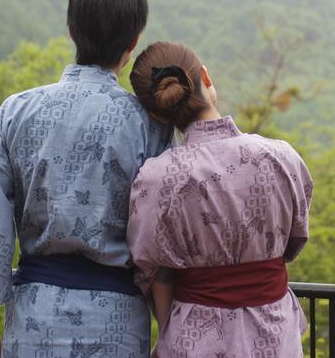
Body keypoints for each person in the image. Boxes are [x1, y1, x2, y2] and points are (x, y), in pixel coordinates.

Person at [0, 0, 171, 358]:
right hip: (116, 327)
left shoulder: (17, 111)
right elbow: (159, 240)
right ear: (133, 42)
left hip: (35, 319)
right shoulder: (148, 124)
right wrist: (167, 332)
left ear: (71, 32)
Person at [126, 42, 313, 358]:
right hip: (274, 332)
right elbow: (294, 241)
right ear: (205, 78)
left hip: (194, 337)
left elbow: (151, 268)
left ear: (157, 112)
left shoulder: (156, 179)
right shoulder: (282, 158)